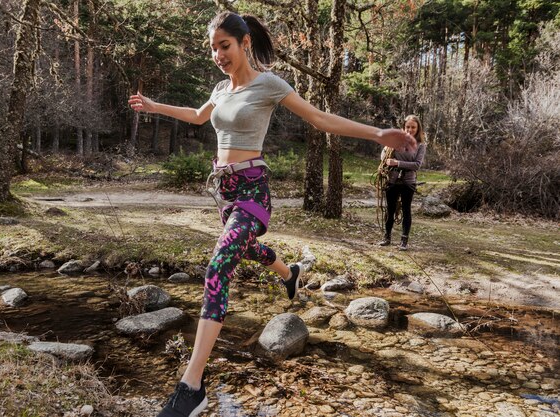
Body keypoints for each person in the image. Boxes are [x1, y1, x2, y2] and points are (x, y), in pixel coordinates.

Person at [128, 11, 416, 417]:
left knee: (218, 267)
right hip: (225, 196)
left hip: (253, 192)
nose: (218, 55)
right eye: (212, 48)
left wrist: (376, 134)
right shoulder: (220, 89)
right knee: (243, 249)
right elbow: (197, 115)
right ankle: (290, 273)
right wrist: (155, 105)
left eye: (224, 46)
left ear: (244, 43)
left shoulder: (269, 84)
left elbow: (319, 119)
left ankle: (191, 386)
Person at [378, 115, 427, 251]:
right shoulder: (395, 141)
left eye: (413, 127)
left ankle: (404, 241)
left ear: (418, 129)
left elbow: (416, 165)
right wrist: (387, 150)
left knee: (406, 210)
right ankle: (387, 237)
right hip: (392, 179)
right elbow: (384, 157)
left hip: (408, 181)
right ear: (403, 127)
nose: (410, 130)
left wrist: (397, 163)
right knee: (390, 209)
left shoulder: (420, 145)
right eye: (408, 127)